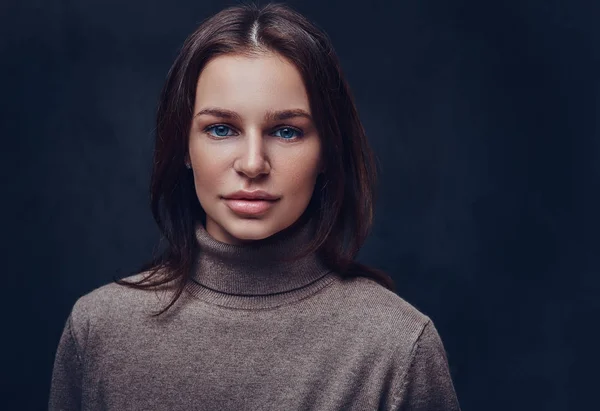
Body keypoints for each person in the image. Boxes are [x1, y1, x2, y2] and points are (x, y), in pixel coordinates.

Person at [48, 2, 461, 410]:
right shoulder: (99, 331)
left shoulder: (398, 346)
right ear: (184, 147)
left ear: (327, 152)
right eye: (221, 129)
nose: (252, 164)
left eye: (286, 131)